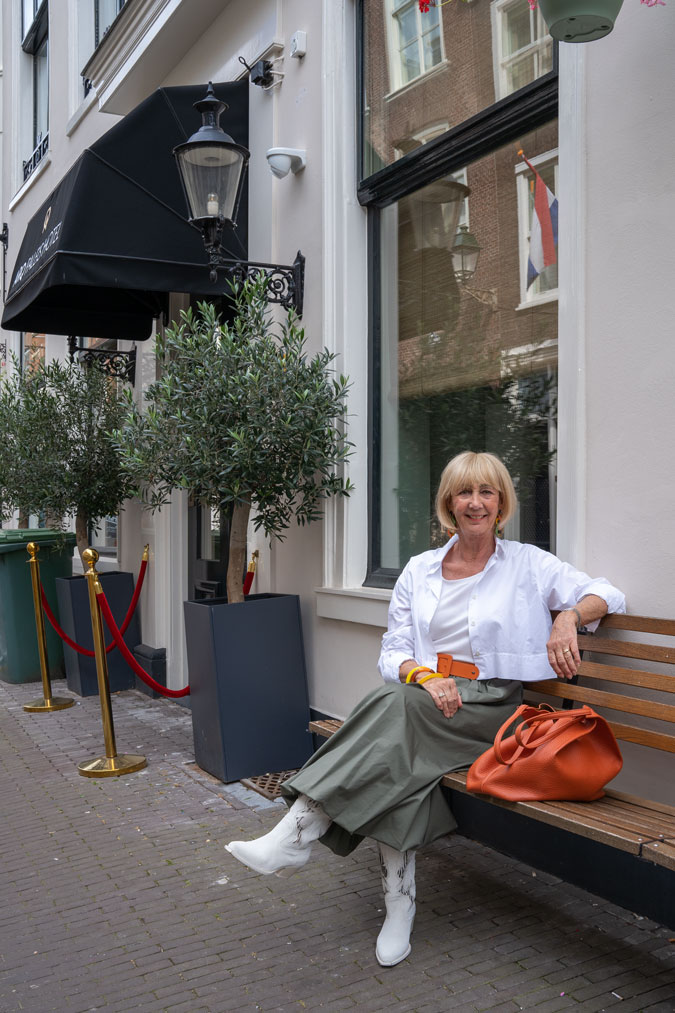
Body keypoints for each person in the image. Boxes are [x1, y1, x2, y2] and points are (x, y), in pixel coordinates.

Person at [225, 451, 625, 967]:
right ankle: (398, 904)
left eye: (487, 492)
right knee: (402, 752)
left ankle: (299, 831)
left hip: (494, 709)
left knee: (393, 711)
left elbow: (609, 592)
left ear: (501, 503)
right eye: (464, 492)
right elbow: (394, 651)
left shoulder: (528, 563)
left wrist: (569, 615)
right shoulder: (420, 570)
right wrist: (427, 676)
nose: (475, 503)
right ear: (448, 503)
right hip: (429, 700)